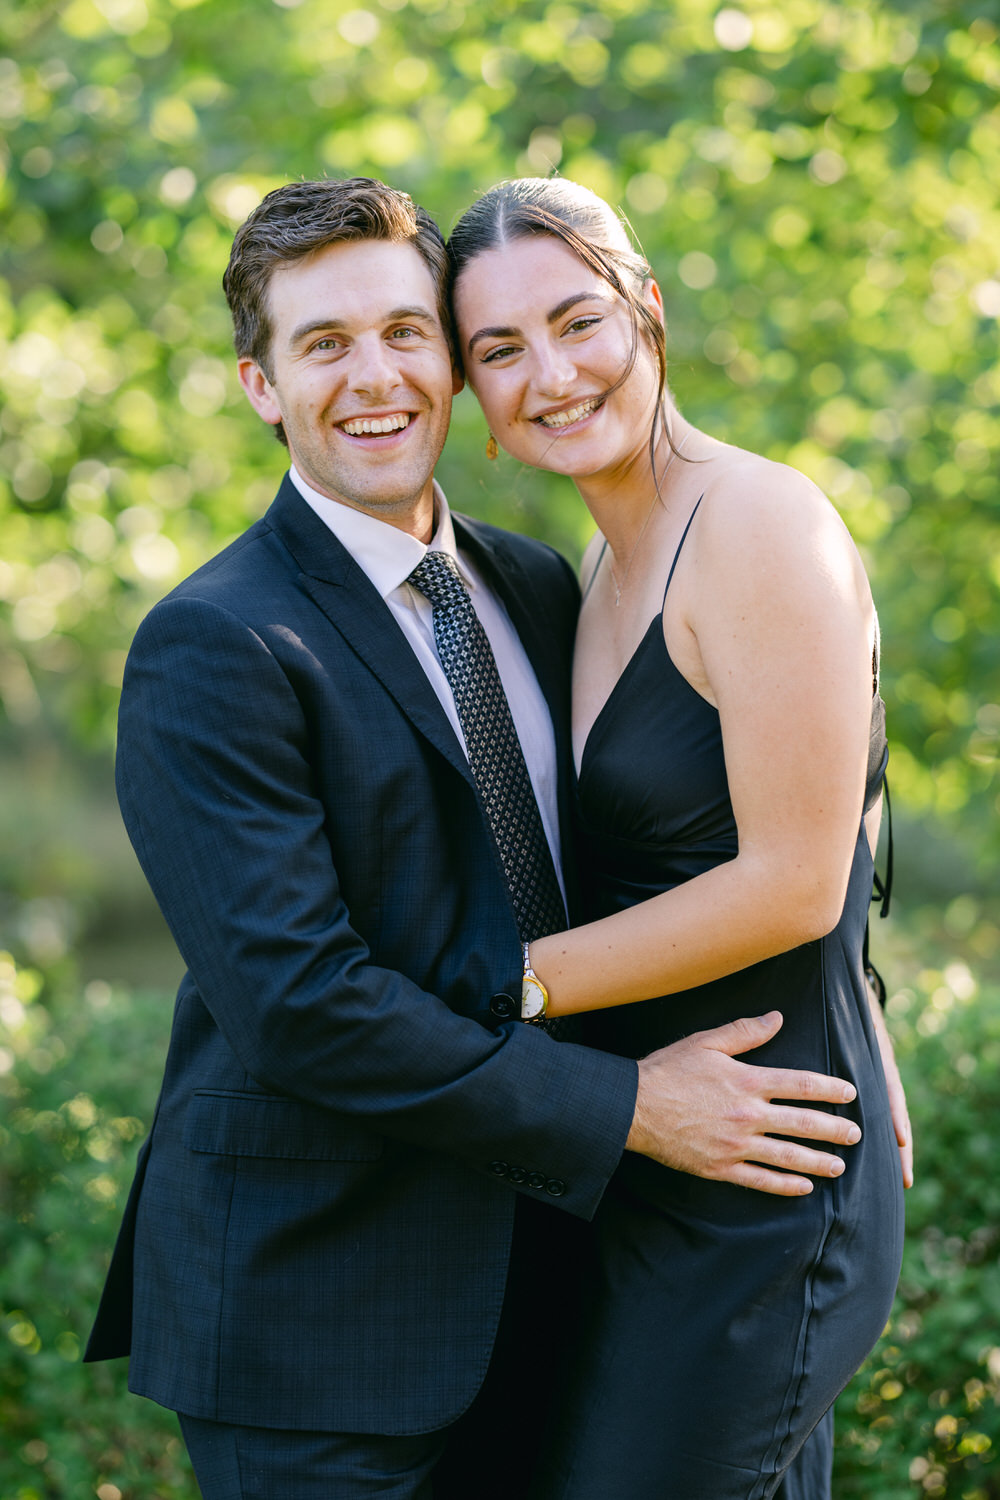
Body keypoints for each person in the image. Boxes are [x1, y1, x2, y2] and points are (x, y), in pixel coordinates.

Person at [84, 177, 868, 1500]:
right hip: (327, 1318)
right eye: (322, 345)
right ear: (261, 386)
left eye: (407, 332)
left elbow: (745, 836)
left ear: (449, 365)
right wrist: (627, 1105)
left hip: (562, 1278)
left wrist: (866, 1047)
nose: (373, 375)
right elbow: (298, 1006)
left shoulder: (539, 583)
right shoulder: (214, 643)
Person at [448, 176, 911, 1500]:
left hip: (771, 1180)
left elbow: (794, 880)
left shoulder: (759, 527)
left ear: (649, 312)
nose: (550, 372)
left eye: (577, 319)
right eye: (501, 350)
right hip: (660, 1155)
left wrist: (502, 986)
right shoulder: (597, 571)